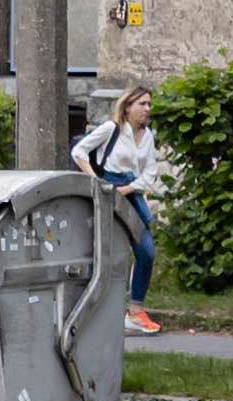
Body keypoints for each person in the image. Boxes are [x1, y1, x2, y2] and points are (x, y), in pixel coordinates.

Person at [74, 86, 162, 335]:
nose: (147, 108)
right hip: (106, 192)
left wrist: (129, 188)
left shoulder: (147, 136)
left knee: (146, 251)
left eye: (149, 104)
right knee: (103, 252)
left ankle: (135, 311)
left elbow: (151, 171)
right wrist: (98, 182)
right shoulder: (111, 129)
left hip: (131, 193)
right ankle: (91, 313)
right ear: (127, 107)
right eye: (142, 103)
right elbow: (79, 151)